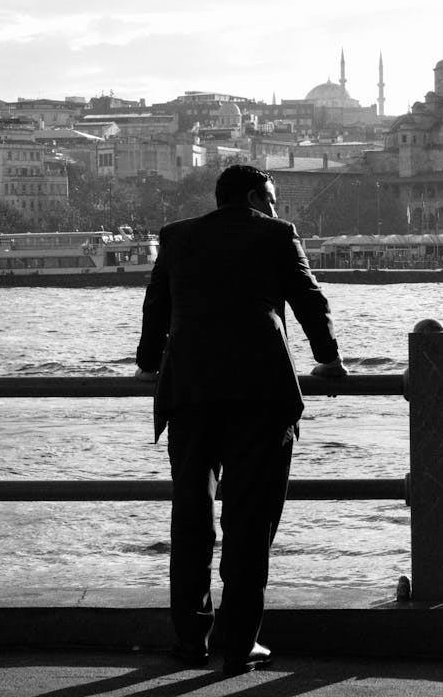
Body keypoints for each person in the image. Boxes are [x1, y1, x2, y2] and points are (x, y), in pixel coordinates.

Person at [135, 164, 347, 675]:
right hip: (261, 393)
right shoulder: (276, 235)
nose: (276, 209)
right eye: (271, 199)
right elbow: (309, 300)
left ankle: (190, 639)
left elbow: (155, 309)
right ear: (255, 197)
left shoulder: (177, 237)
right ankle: (238, 641)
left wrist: (147, 362)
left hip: (189, 392)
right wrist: (328, 357)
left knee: (190, 516)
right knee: (250, 520)